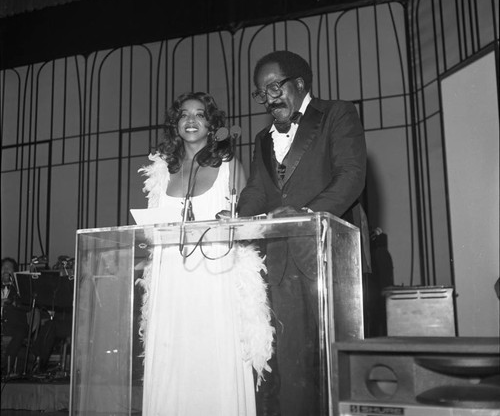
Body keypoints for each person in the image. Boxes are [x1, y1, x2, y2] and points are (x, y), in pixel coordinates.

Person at [236, 51, 367, 416]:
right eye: (261, 92)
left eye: (274, 86)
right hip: (281, 262)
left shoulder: (337, 114)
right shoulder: (263, 137)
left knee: (338, 362)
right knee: (293, 365)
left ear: (300, 83)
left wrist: (307, 215)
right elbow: (257, 192)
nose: (269, 97)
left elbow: (352, 176)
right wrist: (232, 218)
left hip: (329, 254)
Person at [137, 92, 274, 416]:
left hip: (215, 278)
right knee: (174, 358)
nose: (191, 120)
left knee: (214, 354)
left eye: (200, 114)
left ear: (212, 125)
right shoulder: (162, 171)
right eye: (184, 114)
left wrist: (236, 219)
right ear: (176, 124)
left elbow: (249, 222)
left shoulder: (230, 167)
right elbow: (151, 228)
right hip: (171, 279)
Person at [1, 257, 30, 376]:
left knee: (19, 333)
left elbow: (29, 306)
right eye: (3, 268)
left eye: (9, 268)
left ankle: (5, 370)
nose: (5, 270)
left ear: (14, 272)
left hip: (16, 325)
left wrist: (12, 302)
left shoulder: (20, 288)